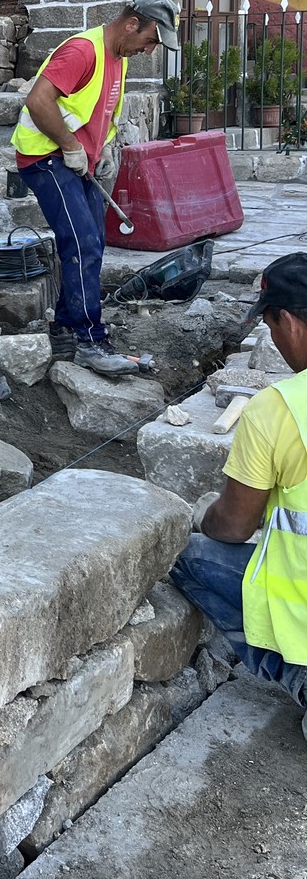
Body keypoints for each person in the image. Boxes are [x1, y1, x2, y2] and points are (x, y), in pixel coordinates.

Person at [171, 253, 307, 729]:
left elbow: (233, 527)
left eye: (271, 326)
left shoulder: (279, 409)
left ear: (289, 322)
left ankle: (299, 677)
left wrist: (205, 514)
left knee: (186, 556)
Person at [11, 0, 180, 375]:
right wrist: (71, 146)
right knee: (83, 242)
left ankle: (65, 329)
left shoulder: (117, 58)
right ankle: (90, 341)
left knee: (93, 242)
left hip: (73, 160)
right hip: (44, 158)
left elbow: (100, 112)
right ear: (132, 24)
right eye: (150, 40)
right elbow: (38, 101)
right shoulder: (82, 51)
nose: (149, 51)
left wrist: (99, 148)